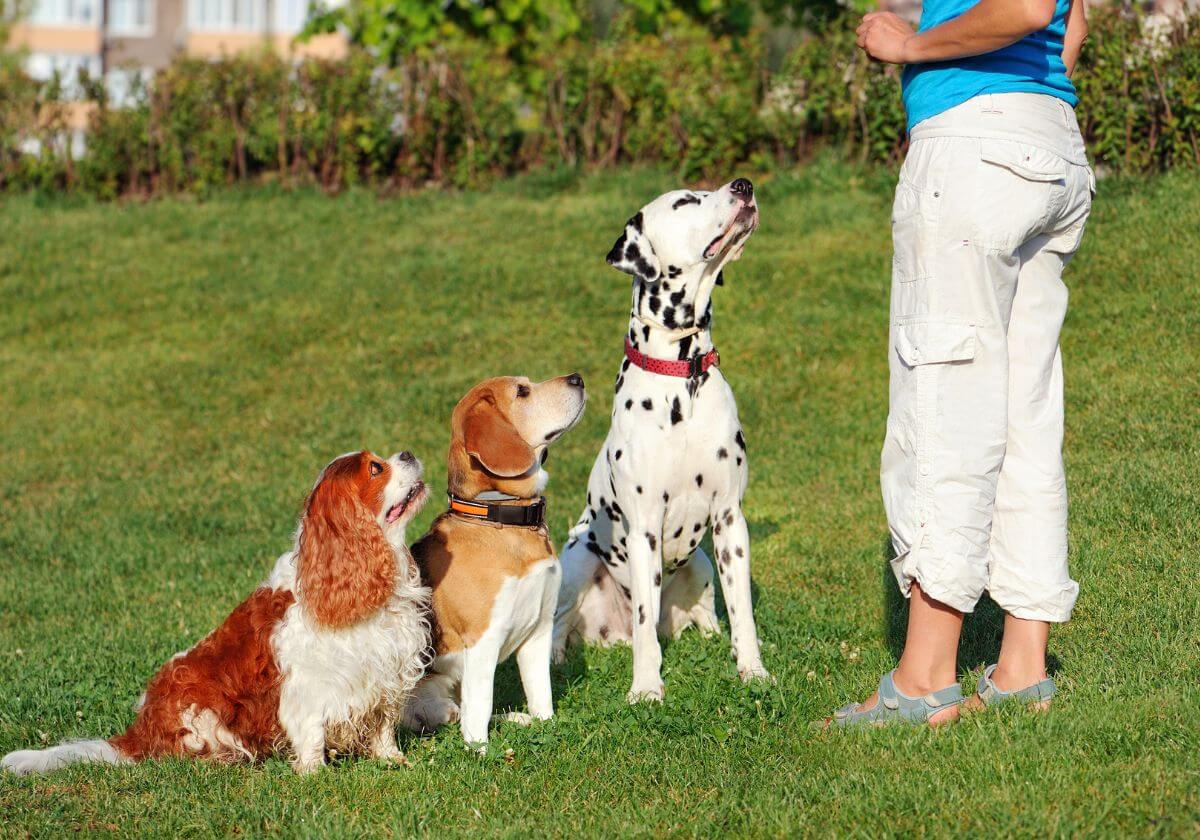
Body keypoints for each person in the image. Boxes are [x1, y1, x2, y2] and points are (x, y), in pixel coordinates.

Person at [829, 0, 1095, 725]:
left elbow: (1027, 5)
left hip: (975, 146)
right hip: (1051, 139)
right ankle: (1021, 668)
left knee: (946, 408)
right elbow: (1069, 22)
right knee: (1024, 415)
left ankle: (923, 682)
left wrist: (909, 46)